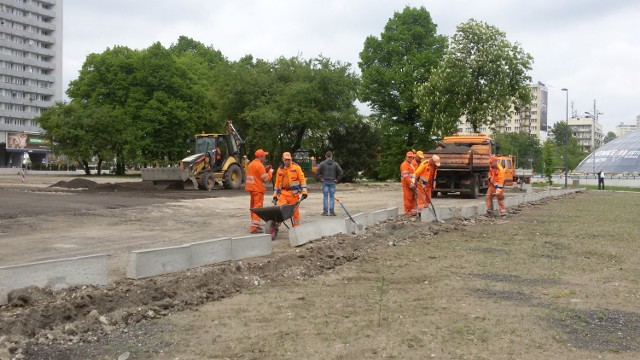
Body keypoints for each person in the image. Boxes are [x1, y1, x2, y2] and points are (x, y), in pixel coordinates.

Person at [273, 152, 308, 227]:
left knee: (295, 213)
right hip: (283, 193)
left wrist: (304, 191)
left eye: (289, 160)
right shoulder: (280, 169)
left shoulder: (296, 168)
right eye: (286, 160)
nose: (287, 161)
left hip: (293, 194)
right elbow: (277, 183)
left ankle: (296, 228)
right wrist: (275, 194)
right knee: (280, 210)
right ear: (283, 159)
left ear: (291, 159)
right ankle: (275, 227)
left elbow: (302, 180)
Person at [245, 149, 274, 233]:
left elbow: (257, 174)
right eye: (264, 155)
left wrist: (266, 170)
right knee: (258, 208)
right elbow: (266, 179)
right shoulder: (259, 165)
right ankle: (254, 228)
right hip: (258, 189)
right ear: (261, 156)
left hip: (251, 189)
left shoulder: (251, 164)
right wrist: (271, 172)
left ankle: (255, 225)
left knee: (254, 207)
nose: (265, 157)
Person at [315, 151, 343, 216]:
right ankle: (332, 212)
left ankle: (325, 212)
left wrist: (321, 179)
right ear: (332, 156)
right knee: (332, 197)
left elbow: (317, 173)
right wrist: (337, 180)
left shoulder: (322, 163)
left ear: (325, 156)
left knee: (325, 197)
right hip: (333, 182)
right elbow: (341, 172)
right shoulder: (335, 164)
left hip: (325, 181)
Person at [400, 151, 417, 216]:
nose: (410, 158)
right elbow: (405, 176)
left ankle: (412, 210)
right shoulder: (404, 165)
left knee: (412, 197)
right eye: (408, 157)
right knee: (407, 197)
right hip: (407, 184)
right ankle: (407, 211)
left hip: (411, 183)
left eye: (411, 157)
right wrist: (410, 183)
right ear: (406, 157)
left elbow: (413, 175)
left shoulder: (411, 164)